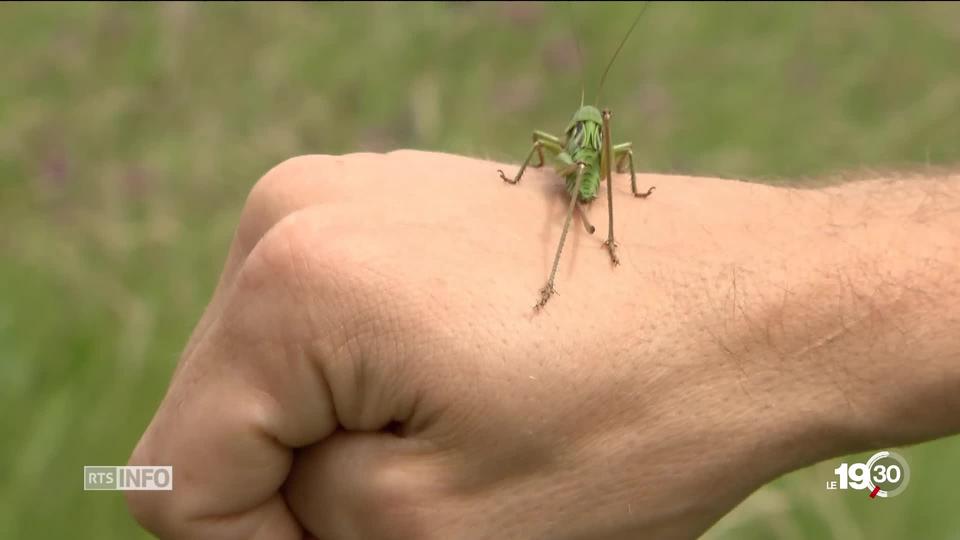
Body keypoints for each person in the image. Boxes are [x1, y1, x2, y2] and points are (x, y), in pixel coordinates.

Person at [124, 150, 959, 539]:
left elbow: (600, 172)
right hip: (560, 186)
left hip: (593, 206)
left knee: (577, 228)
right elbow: (558, 165)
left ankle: (562, 277)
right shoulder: (571, 145)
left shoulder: (605, 151)